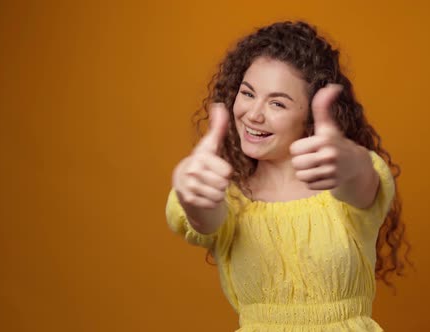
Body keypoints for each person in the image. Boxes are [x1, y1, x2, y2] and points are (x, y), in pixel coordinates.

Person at [166, 21, 409, 331]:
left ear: (309, 114)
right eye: (248, 93)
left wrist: (350, 160)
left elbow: (363, 182)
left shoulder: (343, 188)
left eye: (277, 103)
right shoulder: (229, 194)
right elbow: (205, 219)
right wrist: (195, 196)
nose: (254, 114)